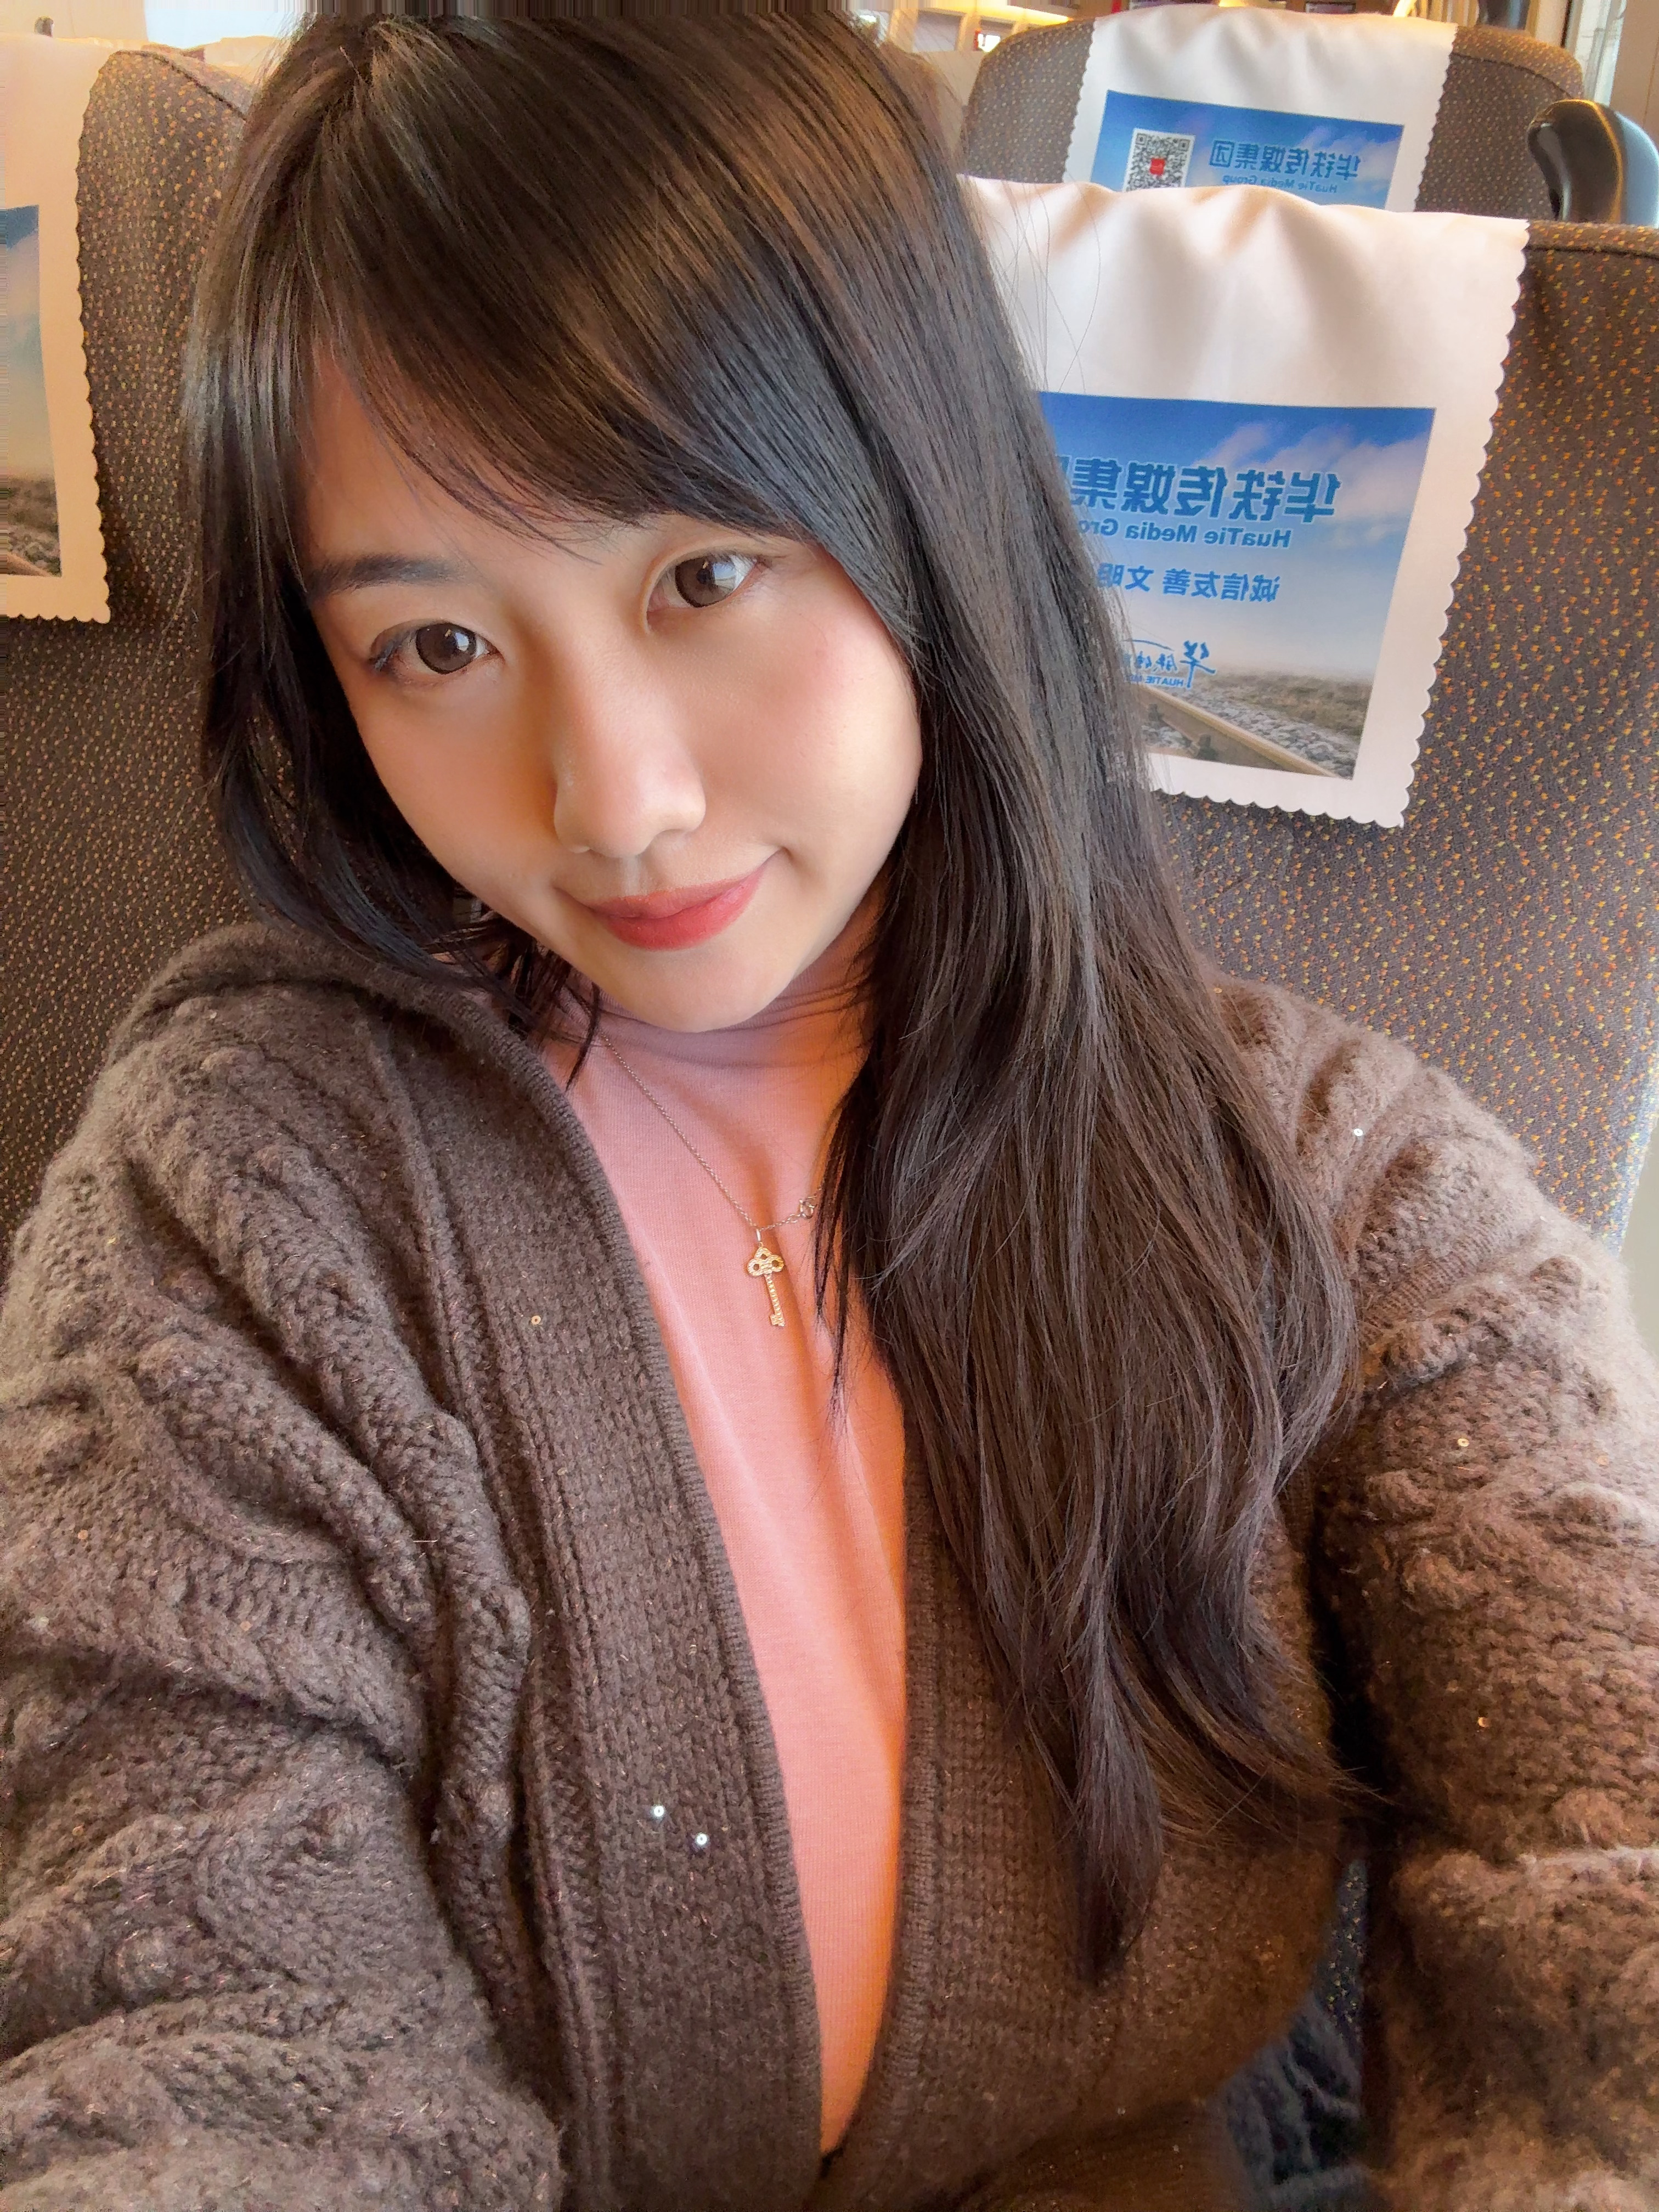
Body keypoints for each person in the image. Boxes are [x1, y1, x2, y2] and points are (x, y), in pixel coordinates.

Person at [0, 10, 1654, 2210]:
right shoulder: (246, 1200)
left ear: (926, 504)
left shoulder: (1341, 1183)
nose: (614, 799)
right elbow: (204, 2029)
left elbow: (1611, 1851)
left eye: (702, 578)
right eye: (436, 647)